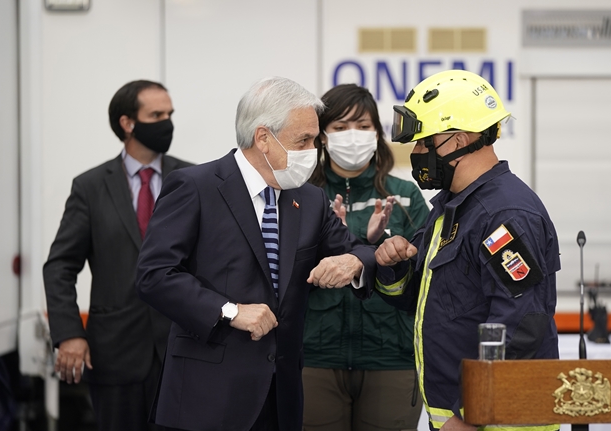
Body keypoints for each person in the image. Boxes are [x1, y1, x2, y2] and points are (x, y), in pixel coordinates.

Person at [134, 76, 377, 431]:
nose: (313, 150)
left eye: (315, 139)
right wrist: (229, 311)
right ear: (263, 137)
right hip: (207, 400)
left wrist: (356, 261)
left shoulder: (309, 199)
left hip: (280, 400)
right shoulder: (195, 187)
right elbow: (153, 275)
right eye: (303, 140)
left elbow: (357, 251)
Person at [374, 70, 560, 431]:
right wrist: (392, 268)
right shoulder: (451, 207)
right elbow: (424, 301)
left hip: (497, 421)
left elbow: (520, 325)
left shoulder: (505, 214)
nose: (416, 154)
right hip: (459, 417)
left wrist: (469, 415)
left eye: (424, 143)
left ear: (459, 140)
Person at [43, 80, 193, 431]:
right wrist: (69, 334)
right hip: (115, 354)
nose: (166, 123)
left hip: (183, 348)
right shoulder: (90, 186)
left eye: (169, 114)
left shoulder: (193, 178)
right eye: (156, 115)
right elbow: (60, 266)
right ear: (127, 123)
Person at [303, 83, 428, 431]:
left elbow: (425, 273)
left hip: (392, 357)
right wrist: (331, 241)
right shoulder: (301, 197)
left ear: (377, 133)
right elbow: (281, 272)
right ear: (322, 136)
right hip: (314, 357)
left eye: (362, 125)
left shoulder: (404, 197)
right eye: (340, 127)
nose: (352, 136)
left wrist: (381, 243)